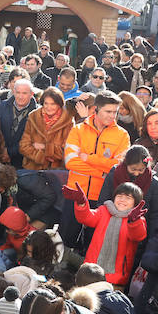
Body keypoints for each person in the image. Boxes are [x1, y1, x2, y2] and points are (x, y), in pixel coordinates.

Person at [61, 91, 130, 249]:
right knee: (66, 240)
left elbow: (118, 168)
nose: (112, 115)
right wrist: (101, 172)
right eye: (108, 111)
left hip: (102, 197)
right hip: (75, 193)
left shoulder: (122, 135)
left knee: (92, 244)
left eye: (115, 112)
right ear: (96, 110)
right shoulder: (78, 130)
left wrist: (90, 158)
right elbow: (70, 162)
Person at [67, 180, 147, 287]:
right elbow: (87, 218)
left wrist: (134, 221)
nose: (122, 200)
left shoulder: (137, 219)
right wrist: (82, 202)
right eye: (120, 196)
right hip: (91, 271)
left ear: (135, 203)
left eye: (128, 198)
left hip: (116, 277)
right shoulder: (104, 210)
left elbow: (138, 236)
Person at [19, 86, 74, 170]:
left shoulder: (68, 120)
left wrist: (45, 147)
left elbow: (66, 151)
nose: (49, 107)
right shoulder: (33, 116)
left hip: (56, 171)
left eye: (53, 104)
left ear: (59, 104)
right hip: (33, 168)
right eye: (46, 103)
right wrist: (42, 157)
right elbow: (23, 146)